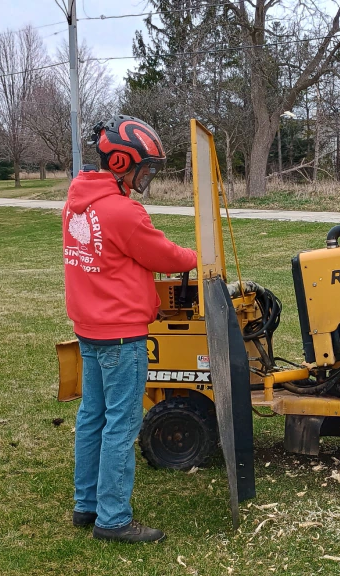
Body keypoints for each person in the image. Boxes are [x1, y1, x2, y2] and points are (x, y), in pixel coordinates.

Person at [62, 115, 198, 543]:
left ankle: (86, 506)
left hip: (89, 328)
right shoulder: (123, 211)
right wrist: (198, 256)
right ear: (123, 161)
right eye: (147, 166)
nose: (149, 175)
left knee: (92, 418)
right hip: (121, 335)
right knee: (121, 425)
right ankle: (113, 519)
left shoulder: (75, 202)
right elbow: (166, 256)